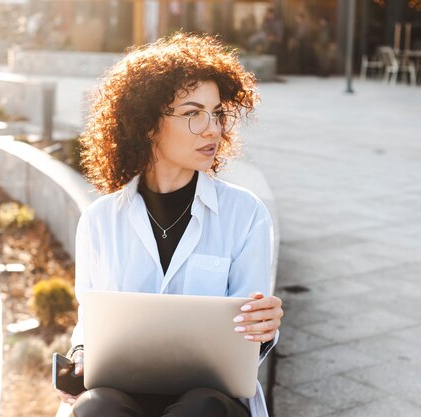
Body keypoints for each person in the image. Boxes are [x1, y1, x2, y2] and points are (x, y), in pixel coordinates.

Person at [56, 32, 284, 417]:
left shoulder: (246, 214)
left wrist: (263, 330)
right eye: (193, 114)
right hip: (119, 393)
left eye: (217, 113)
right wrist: (79, 356)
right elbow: (91, 320)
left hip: (211, 401)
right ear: (147, 124)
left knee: (202, 407)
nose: (212, 128)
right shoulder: (100, 221)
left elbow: (250, 338)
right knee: (96, 407)